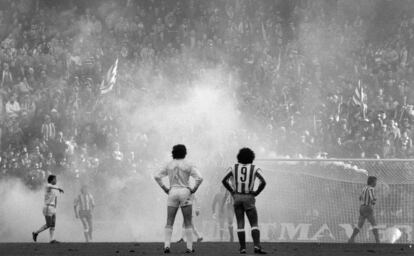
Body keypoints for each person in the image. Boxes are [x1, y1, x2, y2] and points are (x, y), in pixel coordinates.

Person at [154, 144, 203, 254]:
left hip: (172, 192)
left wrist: (165, 189)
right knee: (188, 221)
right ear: (185, 153)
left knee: (169, 221)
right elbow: (200, 178)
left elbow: (157, 176)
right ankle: (189, 248)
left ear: (173, 153)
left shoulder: (169, 164)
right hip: (185, 191)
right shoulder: (189, 164)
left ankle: (166, 246)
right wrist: (194, 189)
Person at [222, 148, 267, 254]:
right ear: (252, 157)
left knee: (240, 223)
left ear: (239, 157)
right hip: (248, 197)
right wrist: (256, 192)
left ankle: (242, 248)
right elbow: (263, 181)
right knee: (254, 223)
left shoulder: (233, 167)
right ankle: (256, 246)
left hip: (237, 197)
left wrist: (232, 192)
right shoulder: (255, 168)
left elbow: (224, 180)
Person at [32, 175, 64, 243]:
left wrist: (55, 208)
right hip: (47, 207)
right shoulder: (48, 186)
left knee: (53, 224)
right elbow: (51, 186)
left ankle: (52, 239)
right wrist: (59, 188)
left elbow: (55, 199)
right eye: (55, 179)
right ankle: (35, 233)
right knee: (49, 224)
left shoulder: (53, 190)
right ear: (51, 180)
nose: (56, 181)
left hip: (53, 208)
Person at [348, 176, 380, 243]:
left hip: (362, 208)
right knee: (374, 224)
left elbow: (360, 198)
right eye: (375, 182)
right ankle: (378, 241)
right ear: (372, 182)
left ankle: (351, 239)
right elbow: (372, 199)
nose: (376, 183)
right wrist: (374, 200)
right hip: (368, 208)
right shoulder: (371, 188)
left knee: (359, 224)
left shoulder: (364, 188)